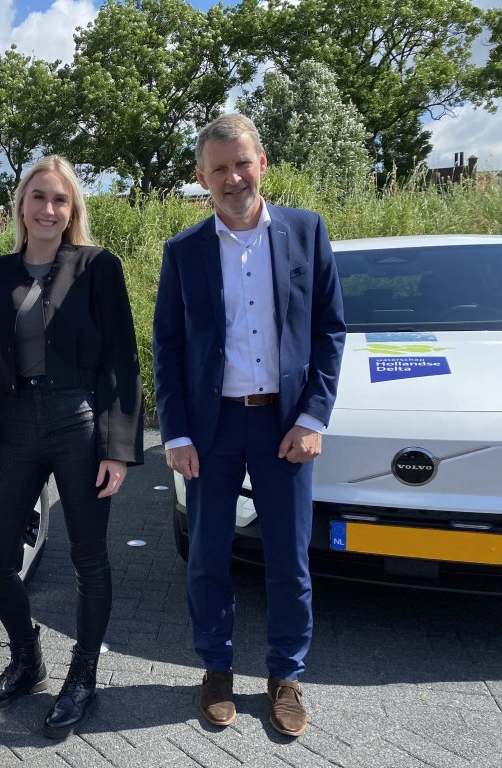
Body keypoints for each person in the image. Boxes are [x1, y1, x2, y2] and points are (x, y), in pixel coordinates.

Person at [152, 114, 345, 737]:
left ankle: (286, 675)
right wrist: (176, 433)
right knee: (208, 556)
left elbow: (328, 331)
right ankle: (216, 671)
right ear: (202, 178)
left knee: (289, 558)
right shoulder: (184, 251)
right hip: (212, 429)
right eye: (218, 169)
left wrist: (314, 414)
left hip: (285, 427)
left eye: (241, 163)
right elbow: (170, 347)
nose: (233, 178)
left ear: (261, 162)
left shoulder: (306, 233)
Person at [0, 155, 144, 739]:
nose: (48, 209)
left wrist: (117, 447)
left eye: (60, 201)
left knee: (89, 557)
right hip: (12, 424)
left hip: (77, 421)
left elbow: (121, 359)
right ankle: (27, 657)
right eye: (38, 197)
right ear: (21, 205)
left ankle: (81, 678)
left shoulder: (97, 268)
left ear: (72, 211)